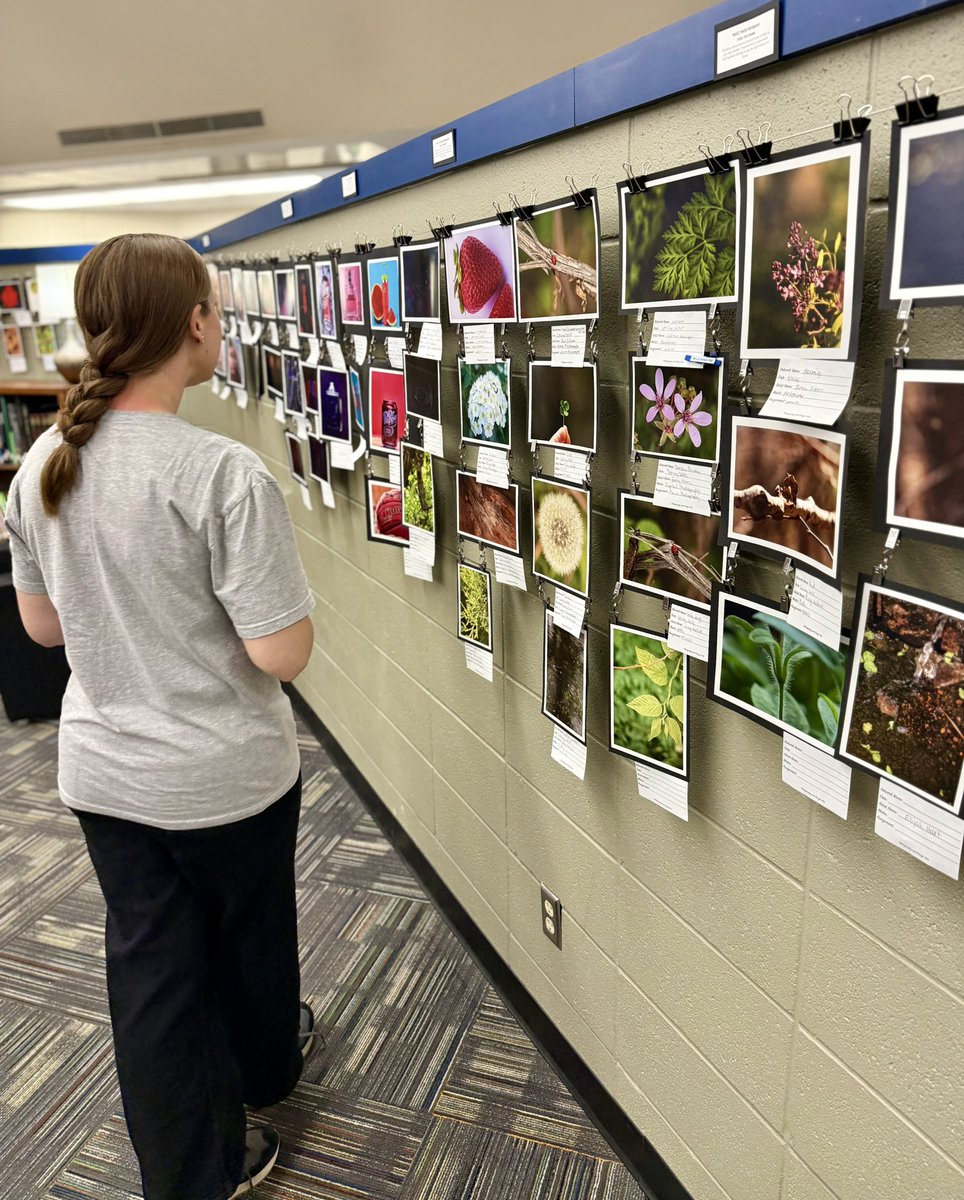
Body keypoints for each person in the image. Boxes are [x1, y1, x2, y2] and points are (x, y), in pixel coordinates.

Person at [3, 233, 317, 1200]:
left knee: (153, 971)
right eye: (216, 309)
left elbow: (43, 629)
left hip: (106, 779)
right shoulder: (222, 474)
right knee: (252, 940)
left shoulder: (41, 465)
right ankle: (267, 1075)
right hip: (226, 779)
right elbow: (282, 652)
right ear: (193, 324)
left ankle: (191, 1177)